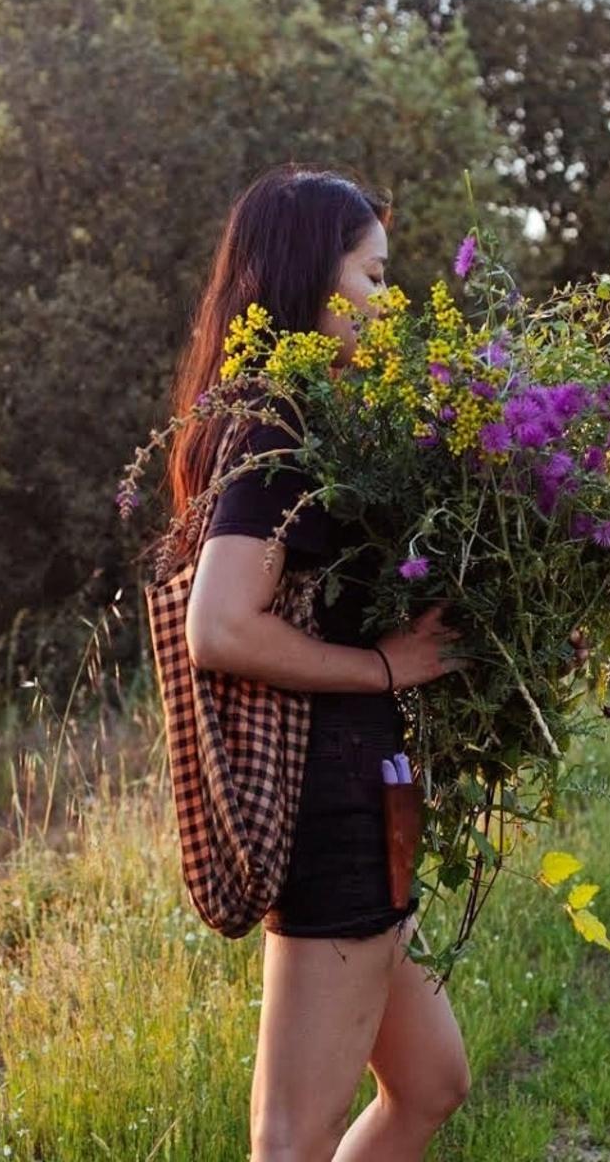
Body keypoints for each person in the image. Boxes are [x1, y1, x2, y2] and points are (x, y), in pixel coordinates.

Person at [164, 164, 473, 1161]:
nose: (390, 302)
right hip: (327, 801)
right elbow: (220, 626)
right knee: (291, 1142)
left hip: (367, 791)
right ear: (312, 279)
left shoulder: (325, 421)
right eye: (374, 277)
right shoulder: (278, 427)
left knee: (430, 1083)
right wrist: (388, 667)